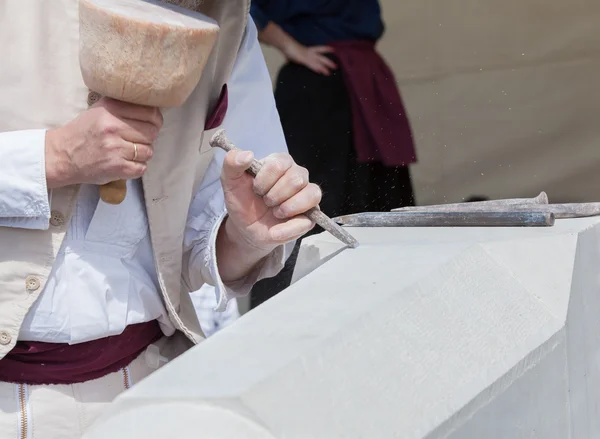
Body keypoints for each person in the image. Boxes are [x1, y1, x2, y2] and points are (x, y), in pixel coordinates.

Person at [0, 1, 321, 437]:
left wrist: (244, 237)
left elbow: (199, 244)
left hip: (153, 387)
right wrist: (52, 157)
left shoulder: (228, 22)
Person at [249, 0, 417, 308]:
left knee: (379, 200)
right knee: (313, 200)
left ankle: (383, 301)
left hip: (364, 77)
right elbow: (246, 7)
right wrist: (291, 47)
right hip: (318, 85)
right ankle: (296, 308)